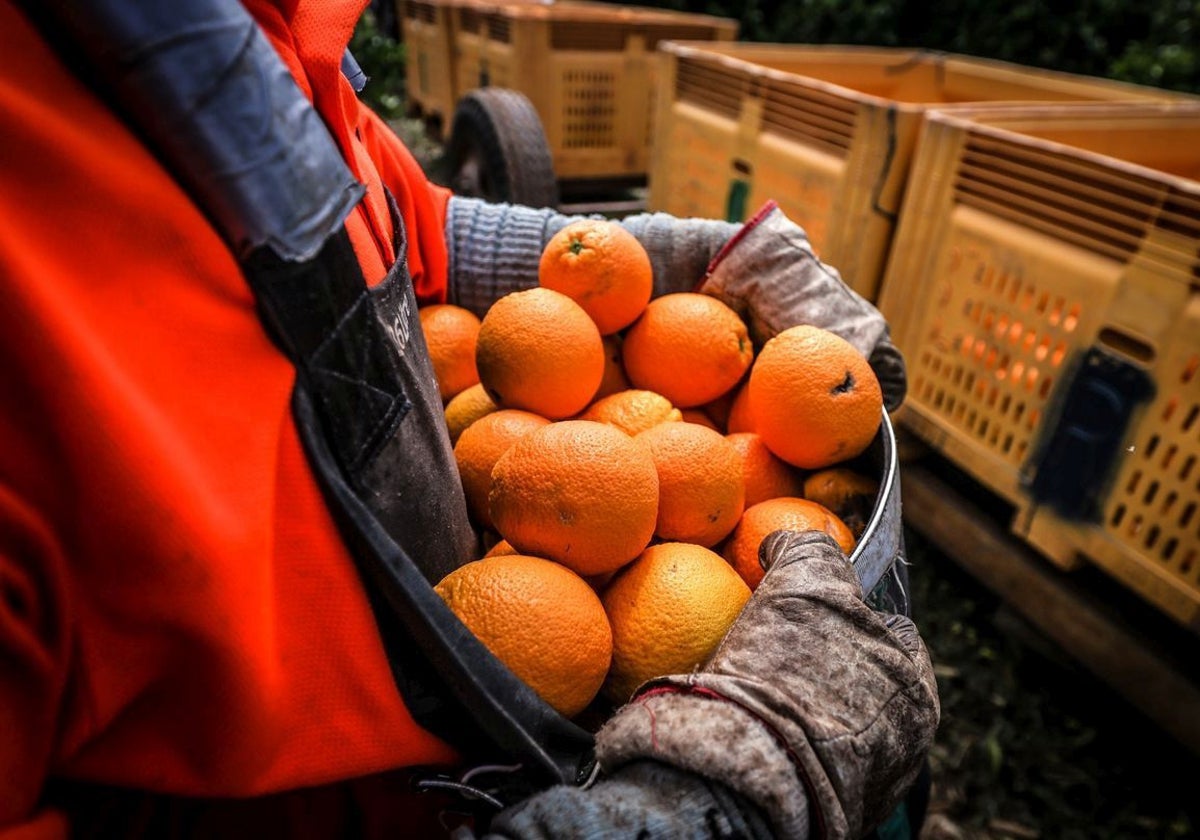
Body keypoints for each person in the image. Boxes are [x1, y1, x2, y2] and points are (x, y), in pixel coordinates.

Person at [0, 0, 939, 837]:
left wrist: (665, 262)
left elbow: (401, 226)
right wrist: (686, 808)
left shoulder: (252, 34)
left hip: (515, 633)